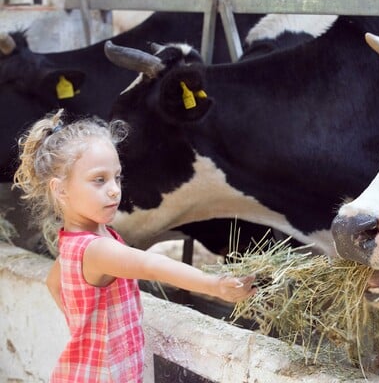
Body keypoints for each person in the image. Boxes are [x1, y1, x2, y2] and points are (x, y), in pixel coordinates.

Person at [13, 109, 257, 383]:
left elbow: (53, 283)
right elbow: (151, 265)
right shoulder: (97, 250)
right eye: (99, 180)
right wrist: (213, 285)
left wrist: (84, 326)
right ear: (60, 190)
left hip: (84, 371)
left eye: (117, 177)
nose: (115, 190)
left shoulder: (73, 242)